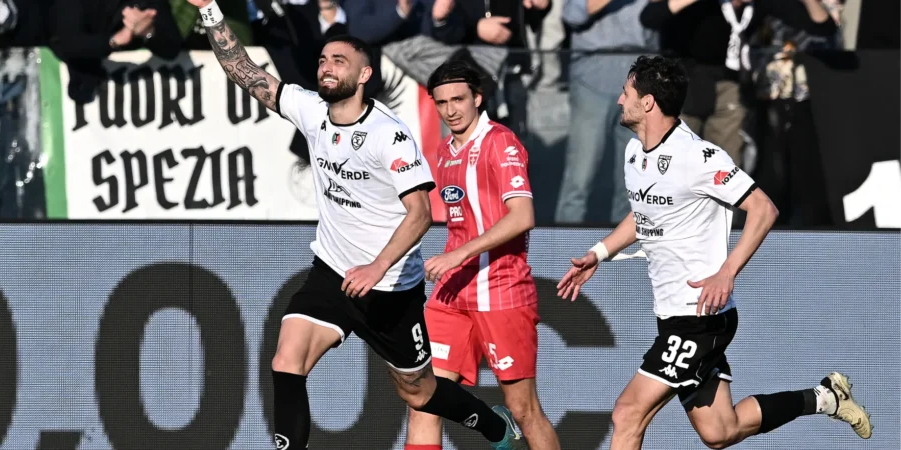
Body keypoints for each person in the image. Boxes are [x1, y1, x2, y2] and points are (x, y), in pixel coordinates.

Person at [187, 2, 524, 449]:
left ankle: (495, 426)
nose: (326, 67)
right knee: (286, 360)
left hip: (389, 287)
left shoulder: (390, 134)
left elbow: (421, 214)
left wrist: (376, 267)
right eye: (323, 60)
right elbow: (245, 72)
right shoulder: (310, 109)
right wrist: (210, 10)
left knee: (418, 392)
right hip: (332, 272)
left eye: (339, 61)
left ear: (364, 75)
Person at [556, 55, 872, 450]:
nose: (620, 100)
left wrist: (727, 272)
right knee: (720, 430)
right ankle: (825, 398)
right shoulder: (634, 153)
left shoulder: (699, 157)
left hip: (700, 318)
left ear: (648, 102)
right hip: (672, 315)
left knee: (627, 414)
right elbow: (644, 213)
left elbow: (763, 209)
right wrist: (599, 253)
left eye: (626, 93)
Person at [403, 61, 561, 450]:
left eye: (458, 99)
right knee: (423, 399)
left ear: (477, 98)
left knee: (524, 409)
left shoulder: (501, 143)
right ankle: (493, 426)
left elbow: (522, 216)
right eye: (441, 102)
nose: (450, 110)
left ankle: (504, 425)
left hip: (501, 289)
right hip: (452, 292)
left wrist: (459, 254)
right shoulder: (444, 151)